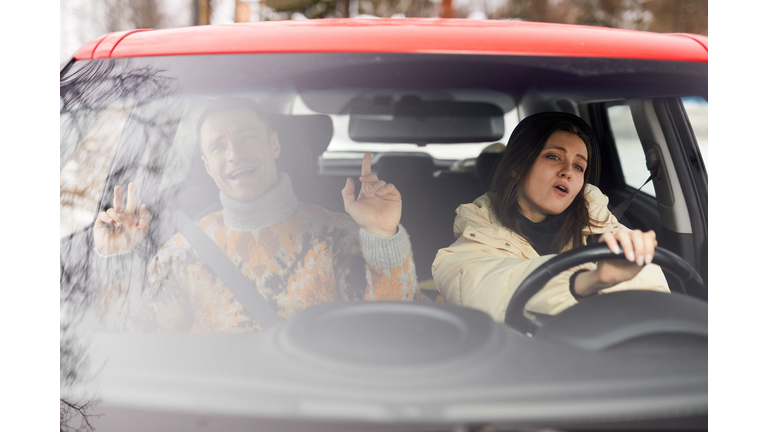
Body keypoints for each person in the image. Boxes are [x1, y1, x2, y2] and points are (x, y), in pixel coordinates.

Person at [94, 97, 419, 333]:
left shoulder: (335, 236)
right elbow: (135, 341)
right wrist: (117, 258)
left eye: (246, 136)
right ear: (207, 166)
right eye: (218, 146)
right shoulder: (181, 254)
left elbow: (392, 330)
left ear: (274, 145)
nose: (235, 154)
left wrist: (381, 233)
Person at [432, 112, 669, 322]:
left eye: (579, 167)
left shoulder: (605, 227)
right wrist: (587, 281)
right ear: (517, 167)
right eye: (554, 157)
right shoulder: (476, 234)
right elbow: (476, 286)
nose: (567, 171)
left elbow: (655, 305)